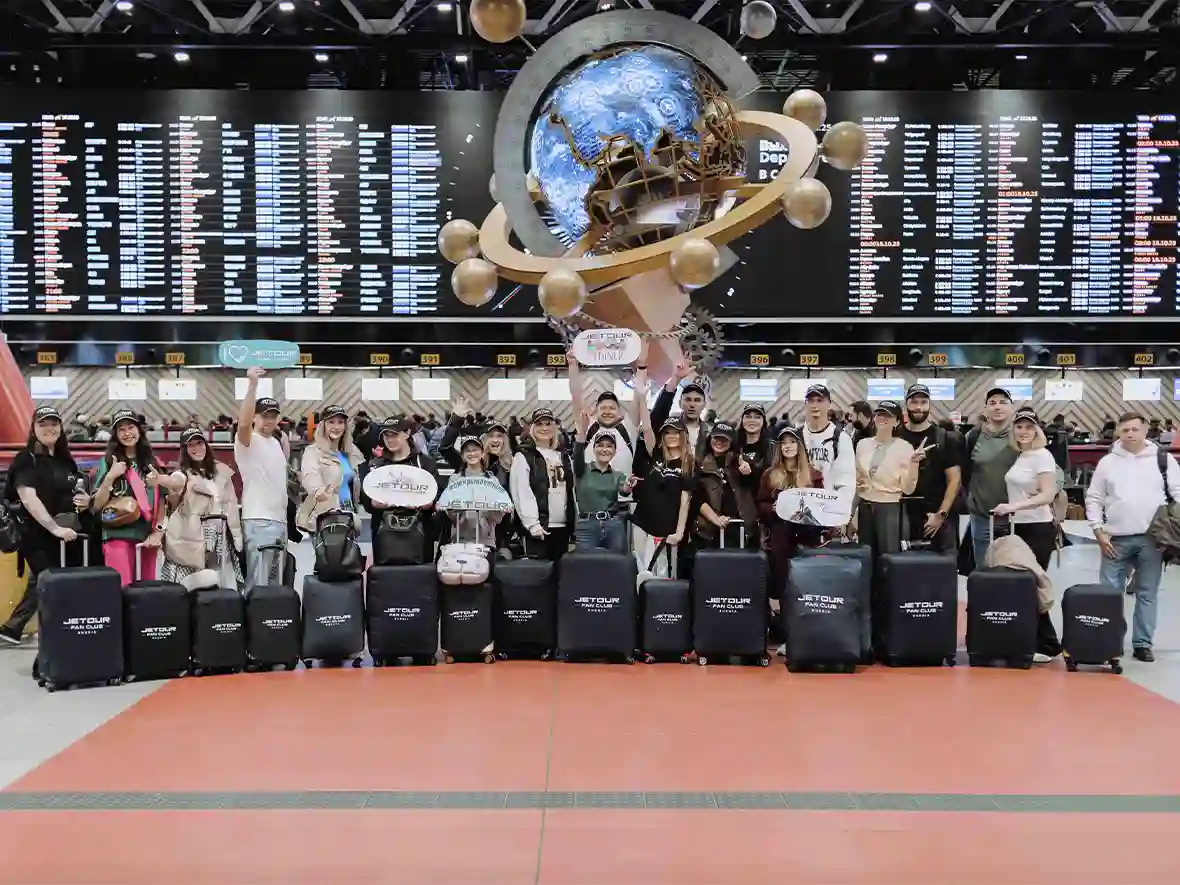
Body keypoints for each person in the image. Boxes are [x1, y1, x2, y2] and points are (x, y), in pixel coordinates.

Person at [1085, 411, 1180, 663]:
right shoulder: (1108, 462)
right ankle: (1110, 643)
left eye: (1134, 429)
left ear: (1145, 429)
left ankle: (1143, 644)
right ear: (1118, 431)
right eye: (1125, 430)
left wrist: (1172, 530)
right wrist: (1098, 530)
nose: (1129, 434)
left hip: (1153, 539)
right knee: (1109, 594)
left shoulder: (1163, 459)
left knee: (1147, 593)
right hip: (1114, 539)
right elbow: (1094, 498)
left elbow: (1178, 492)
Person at [0, 407, 91, 645]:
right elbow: (28, 498)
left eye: (54, 424)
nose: (49, 428)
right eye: (43, 424)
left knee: (45, 581)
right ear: (33, 429)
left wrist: (84, 501)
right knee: (50, 581)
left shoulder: (65, 461)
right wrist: (54, 528)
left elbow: (75, 489)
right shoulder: (26, 459)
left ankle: (14, 628)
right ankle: (56, 634)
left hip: (67, 534)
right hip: (36, 534)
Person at [992, 407, 1064, 662]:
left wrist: (1013, 506)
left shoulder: (1042, 456)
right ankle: (1039, 641)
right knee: (1025, 585)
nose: (1023, 431)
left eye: (1029, 427)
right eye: (1019, 426)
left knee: (1033, 584)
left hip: (1038, 527)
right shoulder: (1022, 455)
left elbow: (1048, 494)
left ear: (1037, 430)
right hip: (1020, 526)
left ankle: (1046, 644)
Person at [91, 409, 171, 586]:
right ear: (115, 434)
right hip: (116, 535)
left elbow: (162, 503)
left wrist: (158, 533)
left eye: (131, 427)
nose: (127, 433)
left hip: (147, 537)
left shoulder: (153, 463)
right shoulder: (108, 462)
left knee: (147, 591)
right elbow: (97, 505)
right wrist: (110, 477)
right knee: (121, 588)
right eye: (121, 429)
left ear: (139, 430)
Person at [160, 427, 244, 590]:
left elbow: (232, 507)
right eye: (191, 445)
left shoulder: (222, 472)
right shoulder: (183, 474)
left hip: (223, 539)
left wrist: (237, 539)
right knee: (197, 587)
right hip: (193, 542)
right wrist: (163, 480)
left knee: (225, 586)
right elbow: (175, 482)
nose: (197, 448)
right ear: (184, 450)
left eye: (199, 443)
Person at [756, 426, 815, 656]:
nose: (788, 446)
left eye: (792, 442)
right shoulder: (770, 475)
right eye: (784, 443)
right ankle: (787, 636)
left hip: (806, 539)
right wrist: (772, 508)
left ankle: (806, 637)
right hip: (780, 538)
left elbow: (821, 505)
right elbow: (760, 504)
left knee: (805, 587)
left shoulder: (812, 474)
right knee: (784, 587)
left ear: (799, 446)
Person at [232, 368, 291, 583]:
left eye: (273, 416)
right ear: (254, 417)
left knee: (275, 585)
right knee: (259, 584)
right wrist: (253, 385)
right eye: (264, 416)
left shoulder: (275, 442)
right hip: (259, 521)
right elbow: (243, 423)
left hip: (279, 520)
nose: (269, 420)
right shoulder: (248, 441)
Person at [359, 417, 442, 560]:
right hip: (384, 535)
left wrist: (429, 503)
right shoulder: (375, 465)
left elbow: (437, 493)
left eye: (394, 435)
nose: (389, 440)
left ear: (407, 433)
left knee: (421, 572)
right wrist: (372, 503)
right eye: (386, 435)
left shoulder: (425, 463)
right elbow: (365, 498)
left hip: (419, 534)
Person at [899, 383, 962, 555]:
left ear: (930, 405)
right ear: (906, 404)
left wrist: (941, 515)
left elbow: (954, 480)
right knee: (899, 567)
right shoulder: (896, 436)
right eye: (914, 402)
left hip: (936, 516)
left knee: (941, 568)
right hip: (902, 516)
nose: (918, 407)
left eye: (923, 402)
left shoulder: (945, 438)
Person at [509, 407, 575, 561]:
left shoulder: (563, 456)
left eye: (548, 424)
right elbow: (521, 491)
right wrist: (532, 524)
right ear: (532, 428)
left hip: (562, 526)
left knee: (560, 571)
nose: (544, 428)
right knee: (538, 572)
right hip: (539, 527)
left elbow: (571, 491)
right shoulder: (524, 455)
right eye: (539, 424)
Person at [961, 387, 1017, 568]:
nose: (997, 407)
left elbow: (1048, 469)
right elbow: (965, 472)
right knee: (983, 567)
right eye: (992, 403)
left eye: (1003, 402)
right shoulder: (973, 436)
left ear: (1012, 408)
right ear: (985, 409)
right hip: (982, 514)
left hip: (1017, 515)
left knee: (1013, 567)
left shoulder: (1022, 435)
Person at [297, 405, 364, 536]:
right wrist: (317, 489)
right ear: (323, 425)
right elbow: (310, 474)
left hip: (348, 513)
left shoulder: (351, 451)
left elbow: (359, 477)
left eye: (340, 422)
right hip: (324, 515)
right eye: (331, 422)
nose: (336, 427)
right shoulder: (313, 451)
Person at [571, 409, 629, 553]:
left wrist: (628, 487)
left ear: (614, 451)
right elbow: (577, 454)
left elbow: (624, 490)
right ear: (594, 449)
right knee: (585, 563)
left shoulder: (618, 475)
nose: (605, 449)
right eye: (600, 445)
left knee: (616, 562)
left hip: (613, 525)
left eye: (609, 446)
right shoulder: (582, 470)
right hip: (587, 525)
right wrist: (582, 433)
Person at [568, 352, 637, 474]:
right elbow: (576, 396)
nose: (607, 411)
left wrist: (641, 368)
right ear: (596, 411)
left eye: (612, 408)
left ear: (620, 412)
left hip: (623, 487)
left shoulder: (628, 428)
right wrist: (573, 365)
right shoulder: (588, 426)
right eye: (603, 408)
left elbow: (638, 396)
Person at [694, 421, 757, 550]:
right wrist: (715, 518)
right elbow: (696, 497)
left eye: (724, 439)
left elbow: (754, 487)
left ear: (731, 442)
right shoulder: (699, 464)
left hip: (739, 527)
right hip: (708, 529)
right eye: (716, 438)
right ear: (710, 439)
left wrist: (749, 473)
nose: (719, 442)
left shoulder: (741, 461)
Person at [440, 436, 507, 547]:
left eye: (475, 450)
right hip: (460, 540)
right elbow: (450, 513)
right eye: (468, 451)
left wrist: (494, 510)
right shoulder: (455, 479)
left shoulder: (492, 480)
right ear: (462, 455)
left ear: (482, 453)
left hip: (486, 541)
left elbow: (498, 516)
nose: (471, 454)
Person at [800, 384, 855, 499]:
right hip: (801, 502)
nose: (815, 405)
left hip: (829, 503)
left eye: (820, 400)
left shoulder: (841, 438)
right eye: (811, 401)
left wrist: (841, 505)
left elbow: (846, 481)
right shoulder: (797, 435)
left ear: (829, 403)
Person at [650, 359, 712, 460]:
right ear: (680, 403)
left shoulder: (709, 434)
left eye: (697, 400)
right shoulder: (668, 425)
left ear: (704, 405)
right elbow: (658, 414)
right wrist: (676, 378)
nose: (692, 404)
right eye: (688, 399)